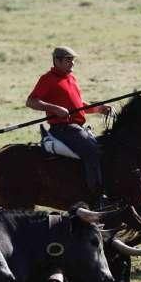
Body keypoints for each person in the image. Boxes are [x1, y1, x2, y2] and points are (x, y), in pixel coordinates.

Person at [26, 47, 112, 206]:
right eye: (68, 59)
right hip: (63, 129)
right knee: (93, 151)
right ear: (57, 61)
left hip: (78, 128)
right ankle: (98, 198)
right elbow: (31, 101)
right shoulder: (47, 79)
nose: (72, 63)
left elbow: (79, 106)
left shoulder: (71, 78)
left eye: (73, 59)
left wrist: (97, 108)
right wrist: (55, 109)